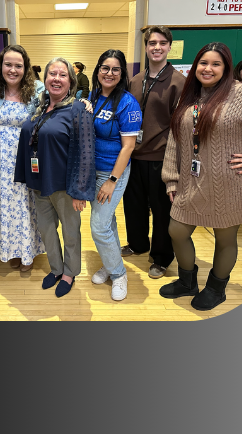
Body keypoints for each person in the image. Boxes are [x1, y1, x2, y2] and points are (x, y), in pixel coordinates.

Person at [160, 42, 242, 309]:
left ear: (226, 68)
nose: (208, 69)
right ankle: (187, 282)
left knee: (224, 239)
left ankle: (217, 288)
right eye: (203, 63)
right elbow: (176, 139)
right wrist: (171, 177)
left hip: (231, 183)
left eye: (216, 64)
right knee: (177, 230)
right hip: (191, 182)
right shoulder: (191, 95)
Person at [14, 56, 96, 298]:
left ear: (71, 80)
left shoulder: (78, 109)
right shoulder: (39, 106)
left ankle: (70, 273)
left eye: (63, 75)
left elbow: (86, 150)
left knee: (70, 232)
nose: (56, 79)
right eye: (52, 74)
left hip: (65, 186)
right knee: (47, 230)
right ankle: (56, 268)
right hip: (40, 182)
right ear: (45, 79)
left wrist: (80, 190)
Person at [121, 25, 186, 278]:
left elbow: (180, 126)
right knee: (133, 206)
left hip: (161, 158)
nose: (156, 47)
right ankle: (138, 244)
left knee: (161, 212)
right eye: (152, 43)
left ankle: (161, 257)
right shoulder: (136, 80)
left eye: (162, 43)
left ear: (170, 47)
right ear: (146, 47)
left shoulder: (179, 82)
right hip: (134, 156)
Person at [0, 44, 46, 270]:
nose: (13, 70)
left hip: (26, 156)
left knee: (25, 205)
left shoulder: (37, 89)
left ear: (26, 67)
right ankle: (7, 249)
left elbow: (59, 103)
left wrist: (83, 103)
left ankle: (27, 252)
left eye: (19, 65)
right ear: (0, 66)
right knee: (3, 204)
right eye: (8, 64)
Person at [86, 49, 143, 300]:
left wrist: (111, 181)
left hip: (112, 172)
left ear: (122, 74)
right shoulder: (93, 96)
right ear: (98, 70)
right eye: (105, 68)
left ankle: (119, 274)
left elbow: (128, 146)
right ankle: (110, 266)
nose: (109, 73)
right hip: (91, 169)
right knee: (106, 222)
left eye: (115, 69)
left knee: (98, 226)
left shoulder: (128, 103)